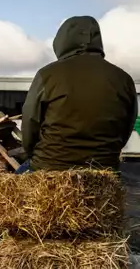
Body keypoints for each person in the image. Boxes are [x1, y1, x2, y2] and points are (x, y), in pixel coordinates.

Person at [19, 16, 138, 174]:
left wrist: (31, 154)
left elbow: (30, 123)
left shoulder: (47, 75)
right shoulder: (124, 79)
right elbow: (127, 127)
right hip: (104, 168)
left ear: (62, 41)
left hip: (51, 165)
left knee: (6, 192)